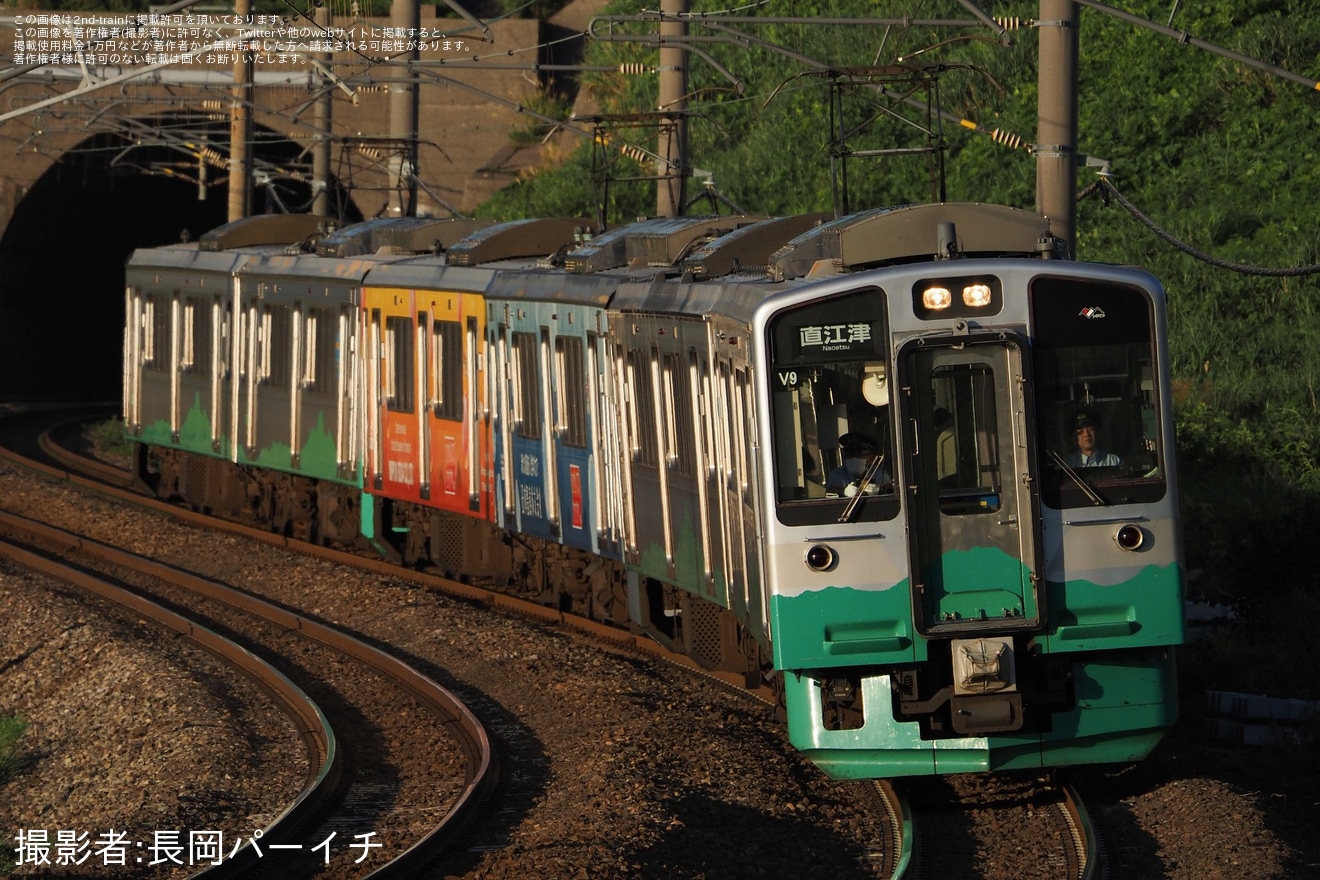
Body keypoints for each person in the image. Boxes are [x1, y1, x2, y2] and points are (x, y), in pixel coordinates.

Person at [826, 432, 891, 497]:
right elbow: (830, 491)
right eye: (850, 452)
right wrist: (844, 491)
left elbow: (890, 489)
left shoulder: (879, 473)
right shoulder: (838, 474)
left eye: (860, 453)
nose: (855, 456)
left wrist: (880, 489)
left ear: (870, 457)